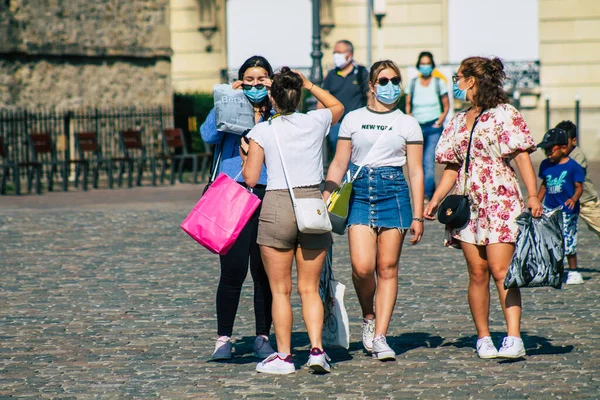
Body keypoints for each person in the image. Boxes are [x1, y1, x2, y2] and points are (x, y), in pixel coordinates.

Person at [423, 56, 543, 360]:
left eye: (459, 78)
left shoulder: (505, 114)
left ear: (472, 80)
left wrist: (532, 196)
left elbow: (521, 156)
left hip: (499, 197)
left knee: (502, 270)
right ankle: (484, 336)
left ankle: (514, 337)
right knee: (477, 272)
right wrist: (435, 199)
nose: (457, 84)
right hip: (468, 201)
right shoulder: (457, 120)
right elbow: (452, 167)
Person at [242, 67, 344, 374]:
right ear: (298, 96)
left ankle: (285, 357)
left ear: (272, 99)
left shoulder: (263, 130)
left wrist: (246, 152)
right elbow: (337, 107)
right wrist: (310, 83)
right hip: (311, 202)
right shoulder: (315, 121)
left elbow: (250, 178)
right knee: (310, 288)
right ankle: (316, 351)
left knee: (280, 290)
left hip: (277, 205)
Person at [324, 59, 424, 361]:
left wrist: (418, 215)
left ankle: (380, 335)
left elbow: (416, 171)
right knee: (362, 267)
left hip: (394, 192)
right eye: (383, 81)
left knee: (388, 268)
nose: (390, 86)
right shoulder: (354, 119)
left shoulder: (408, 123)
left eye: (395, 80)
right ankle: (368, 315)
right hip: (360, 192)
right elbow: (340, 161)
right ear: (371, 85)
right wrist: (327, 193)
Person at [200, 55, 274, 361]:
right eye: (249, 79)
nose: (254, 85)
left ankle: (262, 337)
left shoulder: (278, 110)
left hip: (268, 194)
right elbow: (207, 135)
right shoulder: (231, 106)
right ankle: (224, 338)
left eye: (261, 79)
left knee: (264, 272)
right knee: (232, 272)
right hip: (231, 193)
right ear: (240, 80)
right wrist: (227, 100)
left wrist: (275, 98)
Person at [536, 128, 585, 285]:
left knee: (568, 240)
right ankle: (553, 270)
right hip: (550, 208)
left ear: (563, 148)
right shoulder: (545, 165)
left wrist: (573, 199)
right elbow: (544, 185)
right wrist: (536, 201)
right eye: (545, 150)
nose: (548, 154)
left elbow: (579, 187)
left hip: (567, 210)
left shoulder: (573, 167)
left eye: (551, 149)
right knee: (550, 239)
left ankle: (573, 271)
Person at [405, 51, 450, 201]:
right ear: (419, 65)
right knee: (416, 163)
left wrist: (440, 120)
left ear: (432, 65)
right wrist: (409, 118)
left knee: (428, 162)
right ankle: (428, 190)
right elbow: (407, 104)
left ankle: (427, 195)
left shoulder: (439, 82)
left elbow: (446, 105)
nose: (425, 66)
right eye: (423, 63)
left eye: (428, 63)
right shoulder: (412, 83)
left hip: (433, 127)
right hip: (417, 128)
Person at [320, 40, 370, 150]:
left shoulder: (361, 73)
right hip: (337, 124)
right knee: (339, 153)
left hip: (357, 123)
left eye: (339, 52)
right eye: (334, 53)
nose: (336, 56)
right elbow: (323, 97)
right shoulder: (332, 74)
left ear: (349, 54)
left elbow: (370, 96)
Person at [556, 120, 600, 241]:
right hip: (567, 203)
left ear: (574, 141)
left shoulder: (577, 155)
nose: (561, 145)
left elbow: (572, 173)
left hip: (586, 202)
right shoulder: (557, 155)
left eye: (564, 141)